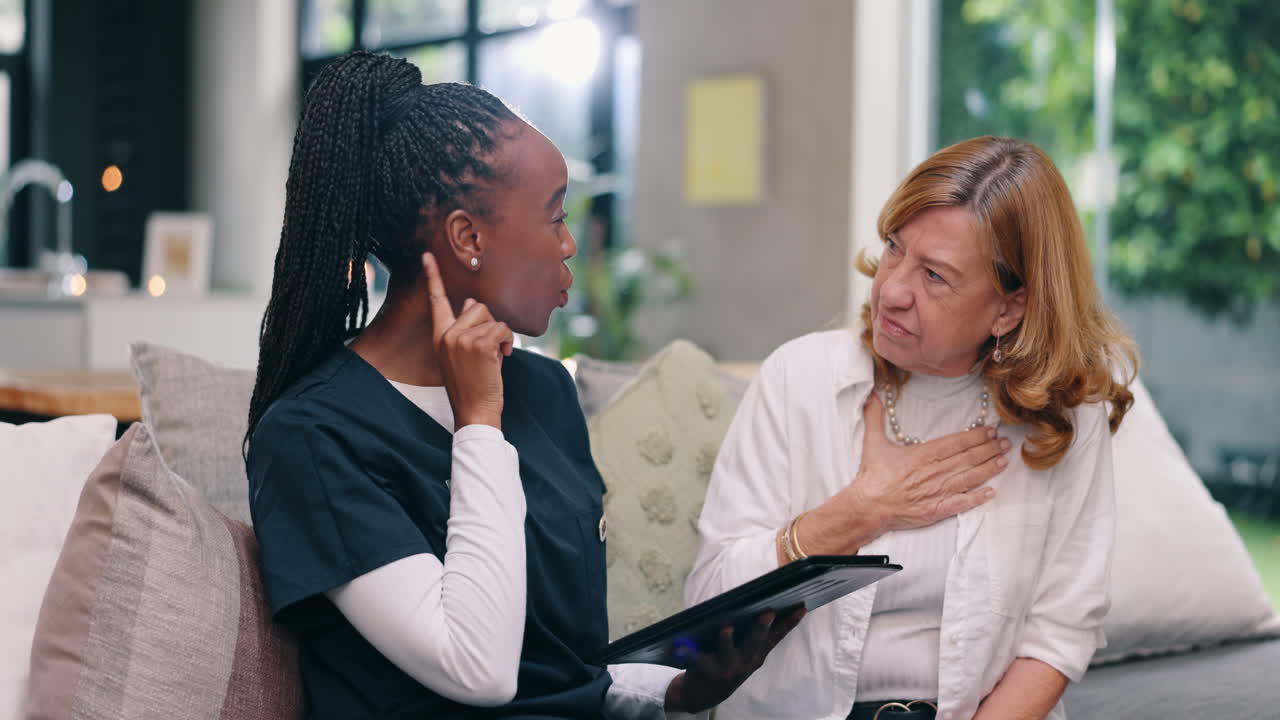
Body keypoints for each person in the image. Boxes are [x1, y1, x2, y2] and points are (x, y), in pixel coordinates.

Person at [243, 51, 801, 720]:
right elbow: (477, 668)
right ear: (467, 236)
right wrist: (478, 422)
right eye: (555, 214)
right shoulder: (313, 435)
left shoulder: (543, 392)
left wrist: (685, 691)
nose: (569, 245)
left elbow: (567, 673)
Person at [686, 136, 1138, 720]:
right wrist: (860, 510)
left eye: (935, 276)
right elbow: (708, 606)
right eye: (895, 249)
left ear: (1008, 308)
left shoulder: (1064, 416)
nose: (893, 290)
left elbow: (1060, 632)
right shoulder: (799, 378)